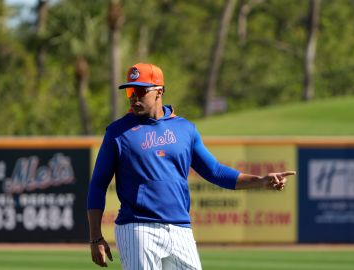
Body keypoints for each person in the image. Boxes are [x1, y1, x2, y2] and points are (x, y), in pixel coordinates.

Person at [87, 63, 296, 269]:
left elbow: (214, 171)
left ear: (160, 91)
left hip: (180, 228)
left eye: (140, 90)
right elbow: (98, 184)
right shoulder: (118, 132)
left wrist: (260, 181)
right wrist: (96, 237)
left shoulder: (185, 129)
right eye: (130, 91)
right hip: (138, 227)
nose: (134, 97)